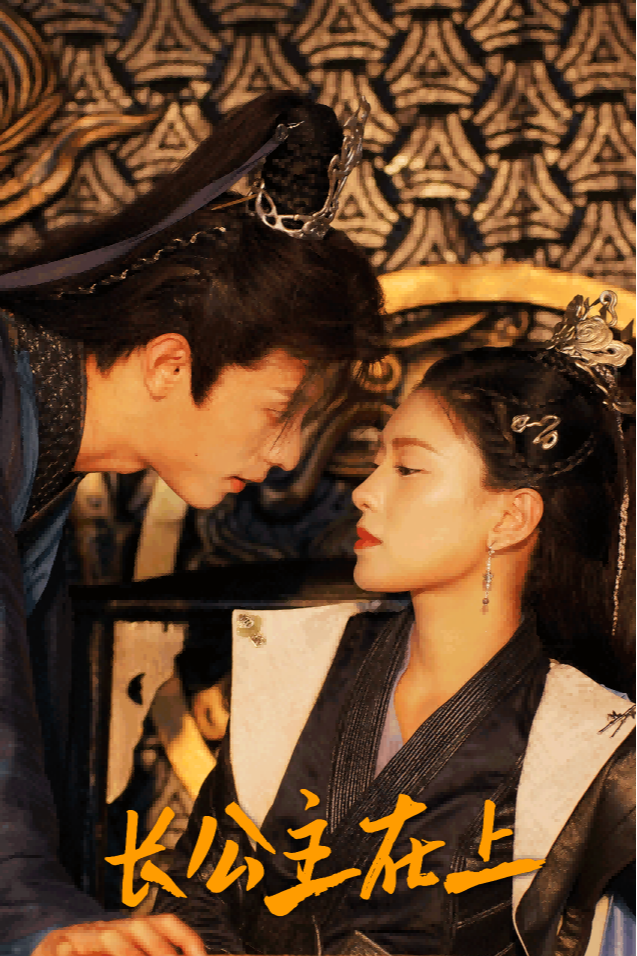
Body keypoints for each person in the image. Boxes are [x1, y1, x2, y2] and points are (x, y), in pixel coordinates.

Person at [0, 91, 384, 954]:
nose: (288, 456)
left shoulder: (46, 457)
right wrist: (40, 920)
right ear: (170, 364)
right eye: (278, 411)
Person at [152, 292, 635, 955]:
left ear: (510, 517)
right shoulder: (299, 664)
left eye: (407, 468)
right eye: (378, 461)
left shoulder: (590, 746)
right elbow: (196, 892)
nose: (364, 491)